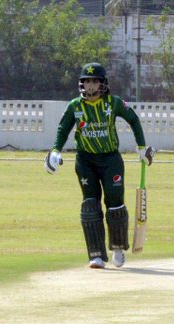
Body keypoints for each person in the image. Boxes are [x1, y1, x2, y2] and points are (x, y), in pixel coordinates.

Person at [44, 62, 153, 269]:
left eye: (95, 81)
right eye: (87, 81)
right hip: (85, 160)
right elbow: (63, 129)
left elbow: (134, 119)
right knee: (90, 205)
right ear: (81, 84)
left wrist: (141, 147)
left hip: (111, 160)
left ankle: (118, 247)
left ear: (103, 84)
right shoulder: (75, 106)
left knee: (115, 205)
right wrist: (56, 150)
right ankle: (96, 255)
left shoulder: (113, 103)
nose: (91, 86)